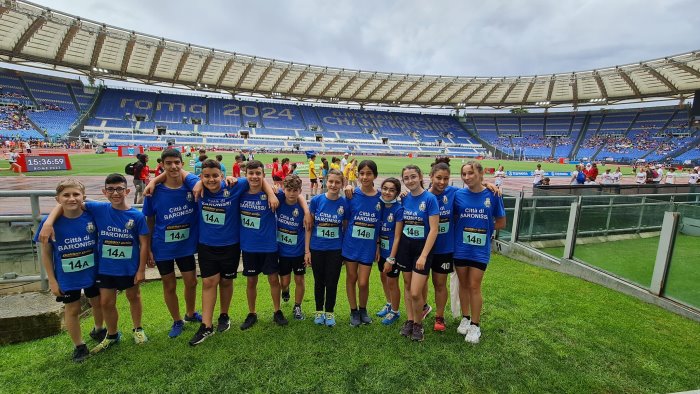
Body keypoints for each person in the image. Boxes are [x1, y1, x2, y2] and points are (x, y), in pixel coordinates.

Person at [40, 174, 150, 354]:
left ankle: (138, 329)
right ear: (104, 192)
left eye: (120, 189)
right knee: (106, 302)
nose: (115, 193)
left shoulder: (136, 216)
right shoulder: (98, 208)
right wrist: (49, 221)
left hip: (129, 267)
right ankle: (112, 334)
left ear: (127, 191)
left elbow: (144, 243)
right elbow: (67, 203)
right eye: (111, 189)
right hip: (105, 268)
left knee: (133, 297)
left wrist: (141, 269)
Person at [34, 179, 105, 362]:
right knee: (72, 309)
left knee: (97, 302)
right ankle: (79, 346)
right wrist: (52, 280)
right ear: (58, 198)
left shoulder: (92, 216)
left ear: (84, 197)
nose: (71, 198)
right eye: (66, 195)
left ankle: (99, 329)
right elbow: (46, 254)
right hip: (67, 277)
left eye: (76, 194)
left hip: (93, 272)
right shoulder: (49, 224)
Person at [188, 159, 250, 345]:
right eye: (206, 176)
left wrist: (271, 194)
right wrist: (152, 181)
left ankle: (224, 315)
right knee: (209, 282)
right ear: (201, 177)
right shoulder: (198, 186)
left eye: (215, 176)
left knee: (225, 281)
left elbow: (258, 178)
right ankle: (206, 326)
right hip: (206, 245)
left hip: (230, 245)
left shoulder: (234, 186)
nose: (211, 179)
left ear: (222, 176)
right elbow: (178, 173)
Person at [141, 149, 202, 339]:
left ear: (182, 163)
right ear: (162, 165)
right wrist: (149, 247)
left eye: (177, 162)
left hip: (185, 246)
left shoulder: (191, 187)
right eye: (169, 163)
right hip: (162, 246)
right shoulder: (154, 191)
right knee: (169, 284)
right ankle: (177, 320)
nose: (173, 166)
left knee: (191, 281)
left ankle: (190, 314)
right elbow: (149, 220)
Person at [453, 161, 506, 344]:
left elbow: (501, 222)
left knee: (475, 285)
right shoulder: (458, 194)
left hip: (479, 250)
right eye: (464, 174)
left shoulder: (492, 194)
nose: (467, 177)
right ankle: (465, 318)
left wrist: (485, 230)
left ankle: (475, 325)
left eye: (470, 173)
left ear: (480, 174)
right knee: (463, 284)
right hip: (460, 248)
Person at [238, 160, 285, 330]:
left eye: (258, 173)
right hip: (249, 246)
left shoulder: (274, 193)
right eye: (251, 173)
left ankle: (277, 311)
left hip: (269, 246)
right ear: (246, 176)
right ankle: (252, 313)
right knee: (251, 281)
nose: (254, 176)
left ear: (263, 175)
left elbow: (296, 196)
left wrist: (272, 192)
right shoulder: (240, 193)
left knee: (274, 279)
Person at [396, 165, 439, 342]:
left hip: (423, 250)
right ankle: (410, 320)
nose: (410, 181)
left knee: (415, 292)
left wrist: (423, 255)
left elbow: (434, 229)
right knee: (407, 285)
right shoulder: (404, 199)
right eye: (406, 178)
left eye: (413, 176)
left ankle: (419, 325)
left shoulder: (430, 199)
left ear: (420, 177)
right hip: (406, 246)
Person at [305, 169, 349, 327]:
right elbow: (309, 227)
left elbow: (345, 228)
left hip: (335, 250)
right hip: (317, 248)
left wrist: (343, 251)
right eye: (331, 181)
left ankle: (329, 312)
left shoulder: (344, 203)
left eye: (337, 182)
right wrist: (307, 251)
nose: (333, 185)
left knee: (332, 282)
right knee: (319, 281)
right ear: (325, 182)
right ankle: (319, 311)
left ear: (342, 184)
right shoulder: (316, 201)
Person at [342, 160, 382, 327]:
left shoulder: (381, 197)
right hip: (351, 245)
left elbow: (381, 224)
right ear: (357, 175)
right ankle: (354, 311)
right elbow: (345, 221)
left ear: (375, 176)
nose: (365, 177)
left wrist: (378, 245)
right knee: (351, 277)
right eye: (362, 173)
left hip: (369, 247)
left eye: (369, 173)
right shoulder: (351, 195)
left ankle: (363, 309)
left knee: (363, 281)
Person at [427, 158, 459, 332]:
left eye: (446, 178)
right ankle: (422, 308)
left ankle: (439, 317)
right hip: (424, 249)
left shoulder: (454, 193)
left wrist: (488, 184)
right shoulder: (422, 196)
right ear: (431, 176)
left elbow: (474, 191)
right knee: (420, 284)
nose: (442, 182)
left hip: (444, 249)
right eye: (438, 177)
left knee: (440, 284)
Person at [276, 174, 311, 321]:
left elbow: (308, 229)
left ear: (299, 191)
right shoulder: (279, 200)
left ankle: (297, 306)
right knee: (284, 282)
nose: (291, 193)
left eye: (295, 190)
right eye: (289, 190)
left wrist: (306, 252)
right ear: (284, 189)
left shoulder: (303, 208)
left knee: (299, 279)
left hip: (298, 251)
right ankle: (285, 291)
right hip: (282, 251)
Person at [374, 178, 403, 325]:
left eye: (392, 190)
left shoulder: (398, 209)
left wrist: (391, 258)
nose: (387, 192)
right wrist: (378, 247)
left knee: (392, 282)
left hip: (393, 253)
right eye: (385, 188)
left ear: (397, 193)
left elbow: (397, 237)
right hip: (382, 251)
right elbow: (379, 231)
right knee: (383, 278)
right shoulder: (380, 206)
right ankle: (389, 303)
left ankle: (395, 312)